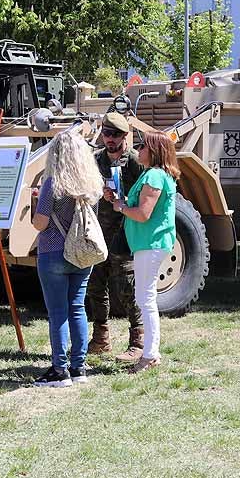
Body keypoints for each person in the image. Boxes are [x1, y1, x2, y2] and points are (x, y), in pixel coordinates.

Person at [32, 129, 104, 387]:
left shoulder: (52, 183)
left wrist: (34, 209)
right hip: (82, 255)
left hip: (53, 252)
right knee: (77, 308)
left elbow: (40, 223)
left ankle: (59, 370)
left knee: (58, 312)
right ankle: (79, 368)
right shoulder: (92, 185)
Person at [109, 131, 179, 373]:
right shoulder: (155, 175)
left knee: (145, 299)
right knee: (145, 298)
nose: (138, 149)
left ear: (154, 151)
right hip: (147, 243)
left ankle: (149, 355)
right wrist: (122, 200)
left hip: (151, 243)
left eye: (142, 146)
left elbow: (143, 214)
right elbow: (140, 206)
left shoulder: (155, 176)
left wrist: (120, 207)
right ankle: (150, 353)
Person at [88, 112, 145, 361]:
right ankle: (101, 338)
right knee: (96, 286)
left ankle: (138, 341)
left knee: (128, 288)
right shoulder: (95, 159)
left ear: (124, 136)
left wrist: (122, 199)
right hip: (99, 232)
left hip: (125, 232)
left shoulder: (133, 161)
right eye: (106, 134)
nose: (110, 139)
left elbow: (146, 195)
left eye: (115, 135)